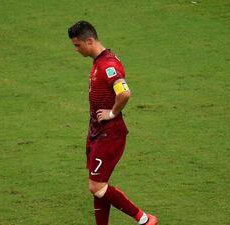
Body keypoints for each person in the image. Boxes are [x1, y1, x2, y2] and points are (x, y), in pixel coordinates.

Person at [68, 20, 158, 225]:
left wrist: (112, 113)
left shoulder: (108, 65)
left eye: (77, 45)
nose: (76, 49)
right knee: (98, 184)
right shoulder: (99, 61)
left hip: (109, 133)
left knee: (96, 186)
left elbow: (124, 93)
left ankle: (144, 219)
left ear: (89, 40)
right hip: (96, 131)